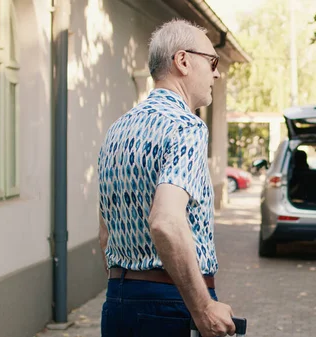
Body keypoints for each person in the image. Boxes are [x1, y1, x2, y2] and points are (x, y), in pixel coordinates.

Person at [97, 19, 236, 337]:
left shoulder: (117, 131)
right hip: (170, 306)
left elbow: (105, 234)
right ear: (183, 61)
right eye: (211, 61)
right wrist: (203, 308)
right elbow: (165, 221)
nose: (216, 73)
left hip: (117, 303)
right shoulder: (187, 127)